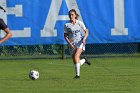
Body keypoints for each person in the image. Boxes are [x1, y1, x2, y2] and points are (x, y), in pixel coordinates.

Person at [64, 9, 91, 79]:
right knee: (76, 61)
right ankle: (84, 60)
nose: (71, 16)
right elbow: (65, 36)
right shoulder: (67, 25)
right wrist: (70, 44)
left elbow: (86, 32)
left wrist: (84, 39)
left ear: (75, 15)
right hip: (72, 44)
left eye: (72, 14)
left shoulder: (79, 23)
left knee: (76, 56)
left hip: (80, 42)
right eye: (70, 15)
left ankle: (77, 75)